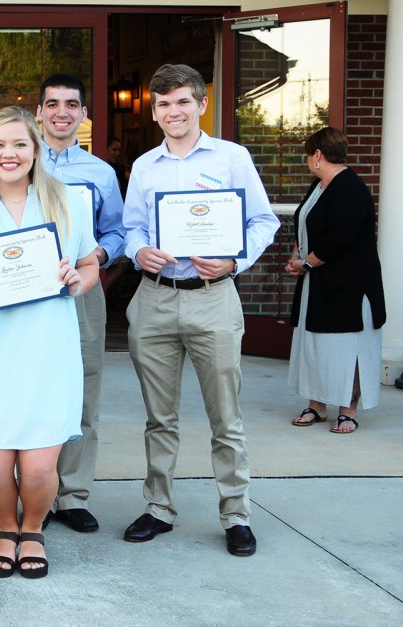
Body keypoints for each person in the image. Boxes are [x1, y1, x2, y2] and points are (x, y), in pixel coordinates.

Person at [121, 64, 279, 557]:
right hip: (156, 296)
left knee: (225, 418)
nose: (174, 111)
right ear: (155, 111)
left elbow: (263, 220)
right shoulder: (146, 166)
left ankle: (236, 514)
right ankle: (158, 508)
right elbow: (133, 228)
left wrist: (235, 259)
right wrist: (138, 250)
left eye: (183, 101)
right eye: (164, 104)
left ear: (201, 105)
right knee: (158, 418)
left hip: (213, 298)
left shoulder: (232, 158)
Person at [0, 106, 99, 579]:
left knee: (37, 471)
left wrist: (77, 280)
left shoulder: (69, 201)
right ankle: (5, 527)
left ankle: (31, 529)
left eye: (19, 144)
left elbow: (90, 264)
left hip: (47, 352)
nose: (9, 154)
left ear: (35, 149)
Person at [35, 74, 125, 533]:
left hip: (83, 292)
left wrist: (98, 256)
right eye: (53, 104)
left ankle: (71, 495)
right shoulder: (22, 164)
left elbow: (117, 231)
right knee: (33, 387)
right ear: (40, 112)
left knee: (83, 390)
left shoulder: (100, 172)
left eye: (71, 104)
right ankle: (37, 494)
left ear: (83, 114)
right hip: (29, 292)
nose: (62, 112)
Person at [285, 127, 386, 434]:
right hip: (319, 280)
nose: (307, 161)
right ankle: (317, 405)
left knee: (346, 346)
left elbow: (341, 238)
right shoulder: (319, 186)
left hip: (351, 284)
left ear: (317, 155)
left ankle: (348, 409)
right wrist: (296, 255)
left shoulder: (350, 188)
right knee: (316, 343)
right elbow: (305, 222)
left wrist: (307, 262)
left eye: (307, 155)